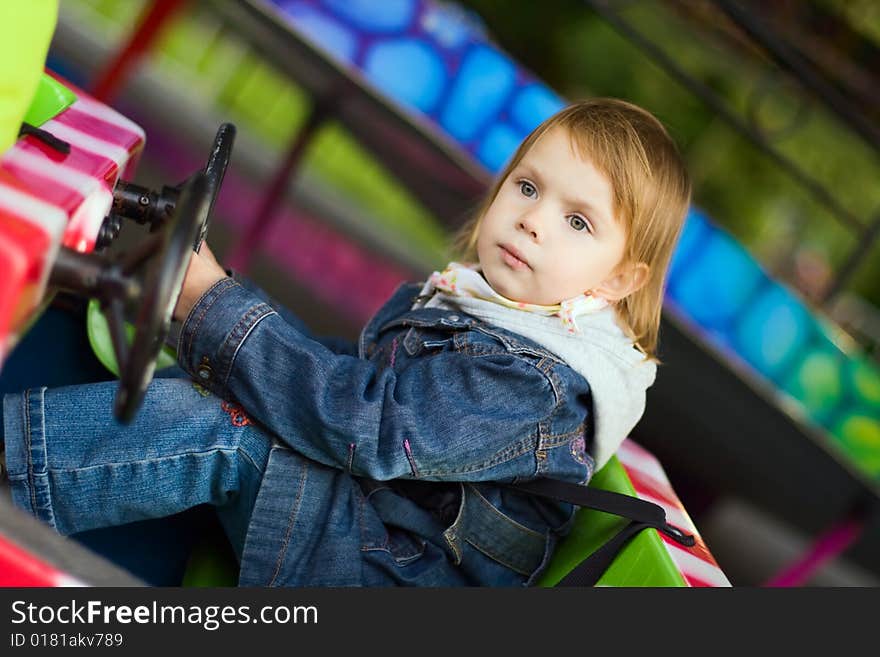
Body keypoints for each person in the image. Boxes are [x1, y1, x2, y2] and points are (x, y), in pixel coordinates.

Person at [1, 98, 691, 586]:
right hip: (363, 532)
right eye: (529, 187)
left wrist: (211, 303)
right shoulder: (491, 314)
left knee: (230, 429)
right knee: (237, 389)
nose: (534, 221)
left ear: (618, 281)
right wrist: (212, 308)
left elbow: (366, 421)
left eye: (577, 221)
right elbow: (340, 375)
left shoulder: (534, 386)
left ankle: (10, 468)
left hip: (382, 573)